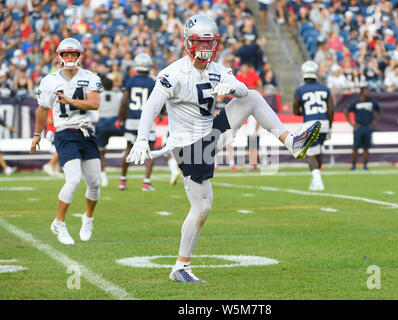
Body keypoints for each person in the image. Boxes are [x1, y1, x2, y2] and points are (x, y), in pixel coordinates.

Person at [126, 15, 321, 283]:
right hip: (188, 146)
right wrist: (141, 138)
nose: (205, 49)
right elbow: (151, 105)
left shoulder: (217, 69)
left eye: (210, 43)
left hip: (211, 134)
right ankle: (181, 266)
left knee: (251, 96)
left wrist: (235, 87)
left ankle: (291, 140)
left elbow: (241, 88)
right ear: (188, 42)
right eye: (200, 42)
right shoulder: (172, 74)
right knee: (203, 205)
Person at [30, 38, 102, 245]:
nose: (70, 58)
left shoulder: (90, 77)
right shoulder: (50, 80)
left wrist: (71, 101)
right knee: (73, 179)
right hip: (64, 133)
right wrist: (37, 135)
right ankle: (59, 223)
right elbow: (43, 109)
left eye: (74, 54)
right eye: (67, 54)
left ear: (80, 56)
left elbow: (94, 104)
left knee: (95, 183)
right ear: (60, 56)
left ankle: (88, 218)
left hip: (86, 132)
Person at [116, 53, 156, 191]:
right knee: (150, 150)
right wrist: (161, 113)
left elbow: (124, 100)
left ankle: (122, 180)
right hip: (148, 119)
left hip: (132, 118)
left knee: (128, 149)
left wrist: (121, 118)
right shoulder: (152, 82)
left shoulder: (131, 81)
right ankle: (146, 182)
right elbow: (158, 101)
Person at [293, 60, 334, 191]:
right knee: (318, 151)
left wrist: (304, 111)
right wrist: (330, 126)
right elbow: (331, 110)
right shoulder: (325, 88)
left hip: (310, 122)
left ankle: (318, 181)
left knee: (310, 153)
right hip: (324, 122)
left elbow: (295, 110)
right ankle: (316, 180)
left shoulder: (299, 90)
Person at [345, 86, 382, 171]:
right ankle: (353, 165)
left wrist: (375, 122)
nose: (369, 93)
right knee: (355, 147)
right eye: (367, 92)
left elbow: (380, 111)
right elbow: (346, 111)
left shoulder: (372, 102)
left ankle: (365, 165)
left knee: (366, 147)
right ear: (362, 93)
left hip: (368, 127)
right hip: (359, 127)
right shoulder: (356, 102)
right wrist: (351, 123)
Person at [95, 76, 124, 187]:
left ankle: (104, 178)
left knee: (101, 153)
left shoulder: (98, 96)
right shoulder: (119, 95)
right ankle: (126, 152)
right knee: (130, 138)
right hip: (115, 123)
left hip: (102, 124)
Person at [42, 109, 60, 177]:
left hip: (55, 131)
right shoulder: (51, 109)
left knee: (57, 151)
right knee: (59, 150)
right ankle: (49, 165)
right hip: (52, 132)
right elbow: (49, 120)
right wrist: (61, 122)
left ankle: (54, 170)